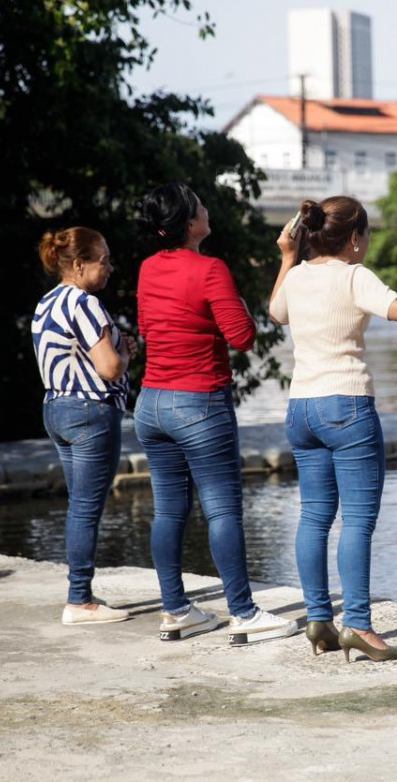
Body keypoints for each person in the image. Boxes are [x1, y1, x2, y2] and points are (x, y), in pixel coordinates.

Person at [268, 196, 397, 663]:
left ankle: (319, 619)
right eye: (365, 234)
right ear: (354, 238)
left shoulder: (299, 274)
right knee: (358, 520)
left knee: (314, 516)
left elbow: (277, 314)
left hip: (300, 408)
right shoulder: (352, 275)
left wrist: (287, 258)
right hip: (346, 406)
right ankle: (359, 626)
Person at [134, 181, 297, 646]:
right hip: (199, 402)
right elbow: (243, 337)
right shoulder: (210, 269)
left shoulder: (146, 268)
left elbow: (148, 328)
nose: (207, 209)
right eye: (201, 205)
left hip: (152, 403)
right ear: (189, 223)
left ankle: (176, 610)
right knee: (222, 509)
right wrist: (238, 300)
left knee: (169, 510)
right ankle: (243, 613)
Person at [31, 227, 134, 626]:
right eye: (103, 260)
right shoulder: (85, 303)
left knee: (79, 505)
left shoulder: (47, 301)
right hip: (91, 410)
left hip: (56, 407)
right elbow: (108, 367)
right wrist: (124, 354)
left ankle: (81, 592)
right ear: (78, 264)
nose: (110, 267)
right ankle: (79, 600)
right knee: (86, 508)